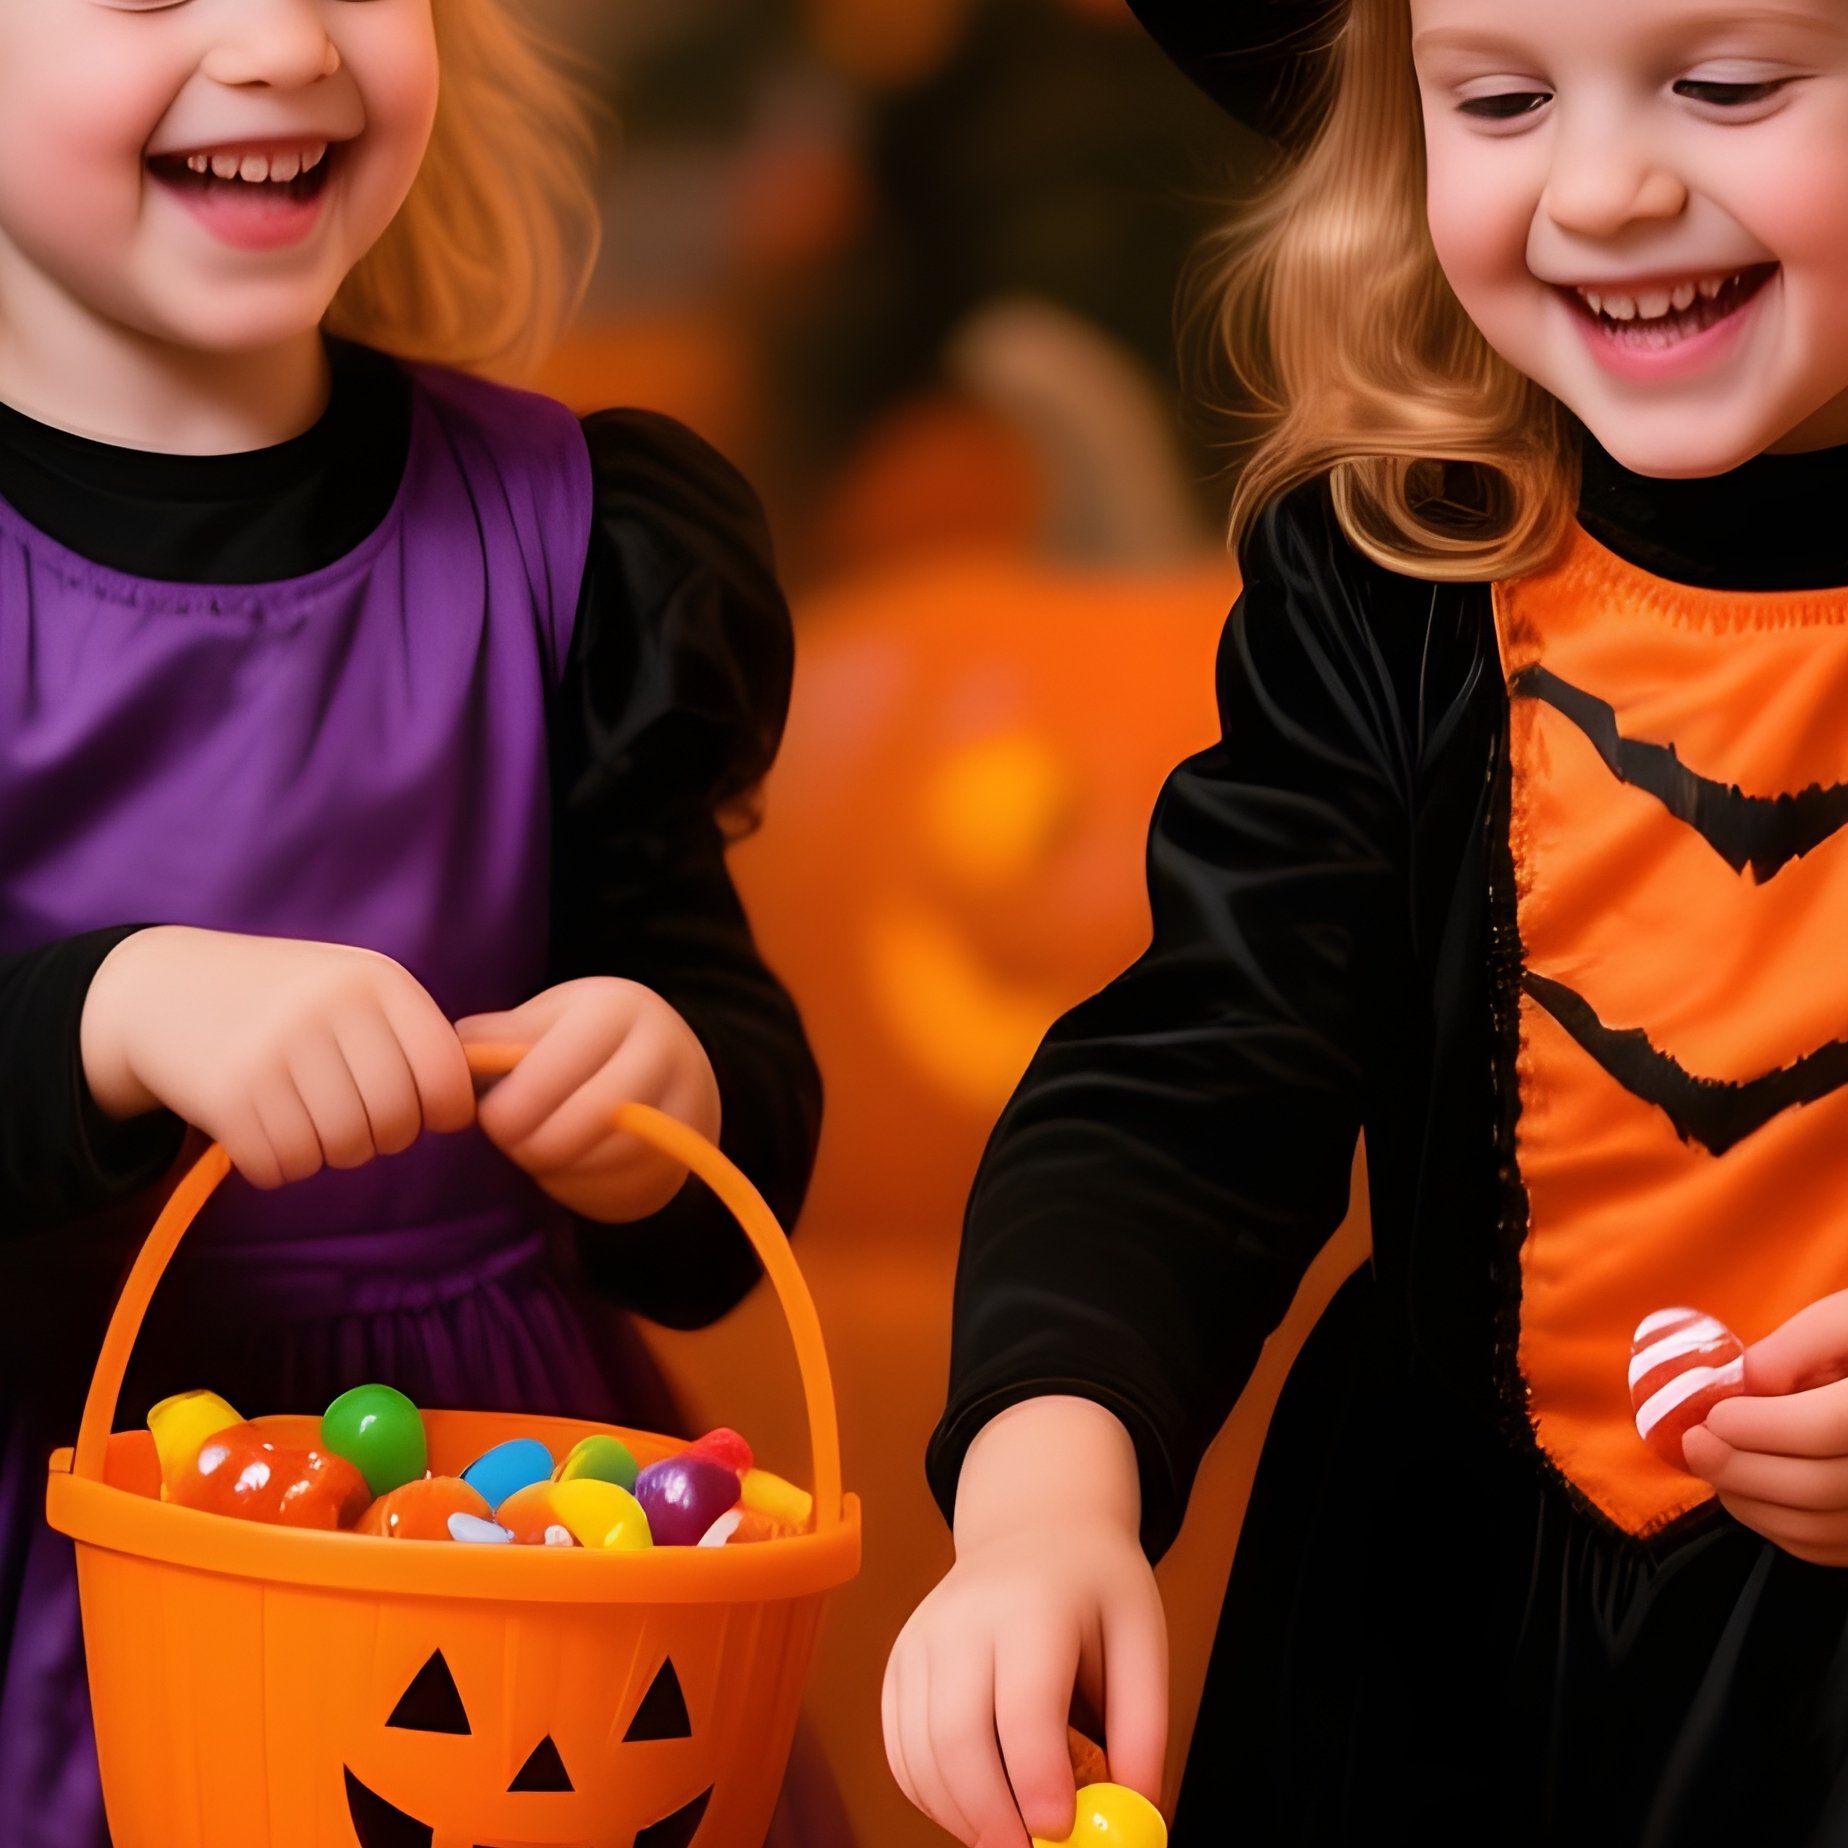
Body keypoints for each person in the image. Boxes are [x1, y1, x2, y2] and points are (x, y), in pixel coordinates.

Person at [884, 0, 1848, 1842]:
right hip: (1430, 1667)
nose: (1609, 184)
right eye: (1500, 98)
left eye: (1724, 87)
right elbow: (1192, 1078)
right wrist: (1042, 1500)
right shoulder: (1399, 567)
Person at [0, 2, 821, 1843]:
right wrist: (107, 1015)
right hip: (62, 1562)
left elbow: (732, 1103)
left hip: (499, 1533)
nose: (285, 44)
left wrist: (661, 1090)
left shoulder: (577, 533)